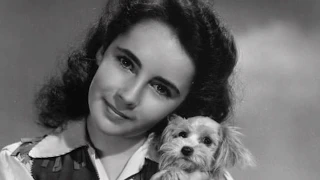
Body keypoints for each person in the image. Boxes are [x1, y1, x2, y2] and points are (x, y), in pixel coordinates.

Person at [0, 0, 237, 179]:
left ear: (183, 104)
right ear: (102, 50)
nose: (128, 96)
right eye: (126, 63)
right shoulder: (18, 164)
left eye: (161, 88)